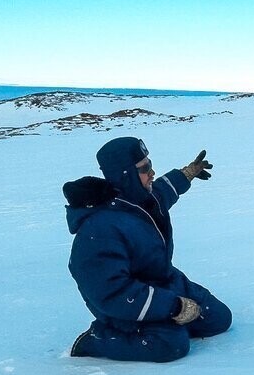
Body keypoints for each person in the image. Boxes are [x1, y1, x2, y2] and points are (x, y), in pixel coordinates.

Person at [63, 137, 232, 362]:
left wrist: (187, 173)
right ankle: (98, 339)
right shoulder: (100, 229)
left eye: (150, 164)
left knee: (219, 319)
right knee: (171, 346)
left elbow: (163, 192)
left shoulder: (139, 199)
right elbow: (113, 292)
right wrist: (174, 307)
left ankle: (167, 323)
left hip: (163, 282)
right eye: (145, 168)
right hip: (124, 302)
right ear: (125, 174)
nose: (152, 172)